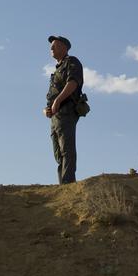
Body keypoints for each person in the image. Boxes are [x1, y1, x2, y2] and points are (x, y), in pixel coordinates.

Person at [44, 34, 84, 184]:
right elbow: (51, 96)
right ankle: (63, 185)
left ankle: (68, 183)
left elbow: (72, 83)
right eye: (51, 46)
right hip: (55, 116)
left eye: (55, 45)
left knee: (67, 149)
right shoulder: (56, 71)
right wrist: (47, 109)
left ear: (64, 47)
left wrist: (58, 102)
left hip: (66, 111)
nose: (51, 48)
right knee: (58, 153)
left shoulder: (71, 62)